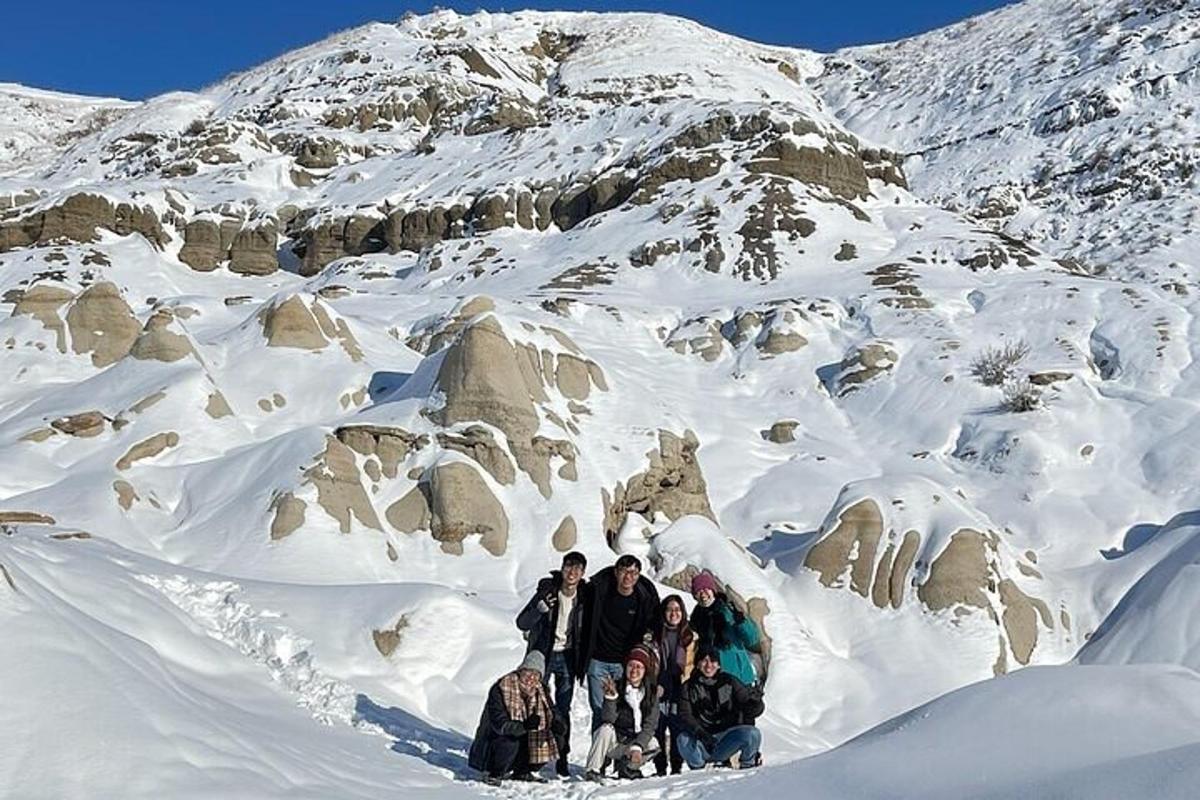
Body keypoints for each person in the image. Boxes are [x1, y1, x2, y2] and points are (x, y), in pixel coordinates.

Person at [515, 550, 590, 776]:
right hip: (544, 657)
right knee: (534, 705)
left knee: (563, 709)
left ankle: (562, 756)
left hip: (568, 657)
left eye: (577, 568)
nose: (572, 572)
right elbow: (522, 623)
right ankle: (528, 756)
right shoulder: (547, 591)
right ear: (562, 567)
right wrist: (540, 609)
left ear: (582, 573)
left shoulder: (584, 597)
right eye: (569, 566)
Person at [582, 554, 661, 731]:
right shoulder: (599, 591)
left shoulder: (643, 598)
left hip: (624, 664)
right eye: (624, 571)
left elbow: (655, 622)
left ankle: (618, 752)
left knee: (621, 710)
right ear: (616, 572)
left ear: (639, 575)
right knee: (599, 710)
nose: (628, 577)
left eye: (633, 573)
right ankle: (600, 754)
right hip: (597, 661)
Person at [468, 652, 564, 786]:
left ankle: (523, 771)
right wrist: (524, 726)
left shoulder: (541, 690)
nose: (531, 678)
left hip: (523, 739)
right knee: (511, 739)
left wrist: (557, 723)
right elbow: (500, 724)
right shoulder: (501, 687)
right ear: (520, 671)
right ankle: (494, 773)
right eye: (528, 673)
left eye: (536, 675)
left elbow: (552, 711)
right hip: (494, 741)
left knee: (553, 738)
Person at [675, 647, 764, 770]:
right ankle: (698, 771)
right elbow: (685, 715)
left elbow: (749, 708)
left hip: (726, 738)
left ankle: (748, 766)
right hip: (702, 739)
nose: (708, 665)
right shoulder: (688, 687)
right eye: (704, 661)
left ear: (718, 665)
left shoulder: (730, 681)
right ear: (698, 663)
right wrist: (701, 733)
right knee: (683, 739)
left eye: (713, 661)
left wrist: (756, 702)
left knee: (752, 734)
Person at [584, 647, 661, 782]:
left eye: (639, 667)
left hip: (634, 744)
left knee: (653, 744)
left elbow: (650, 725)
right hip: (616, 742)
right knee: (605, 729)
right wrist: (610, 698)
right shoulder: (617, 687)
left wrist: (638, 746)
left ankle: (628, 768)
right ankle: (592, 770)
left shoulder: (651, 694)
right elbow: (608, 719)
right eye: (631, 665)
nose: (634, 670)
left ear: (644, 671)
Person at [688, 572, 760, 687]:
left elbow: (752, 639)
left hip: (739, 676)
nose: (703, 594)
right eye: (698, 591)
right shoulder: (696, 617)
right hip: (713, 678)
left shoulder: (728, 610)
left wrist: (742, 623)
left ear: (713, 590)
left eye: (706, 589)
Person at [653, 594, 696, 776]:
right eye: (670, 609)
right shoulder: (655, 634)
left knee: (677, 729)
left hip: (680, 689)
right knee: (658, 728)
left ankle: (676, 767)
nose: (673, 613)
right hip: (659, 688)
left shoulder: (690, 636)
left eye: (677, 610)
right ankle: (661, 768)